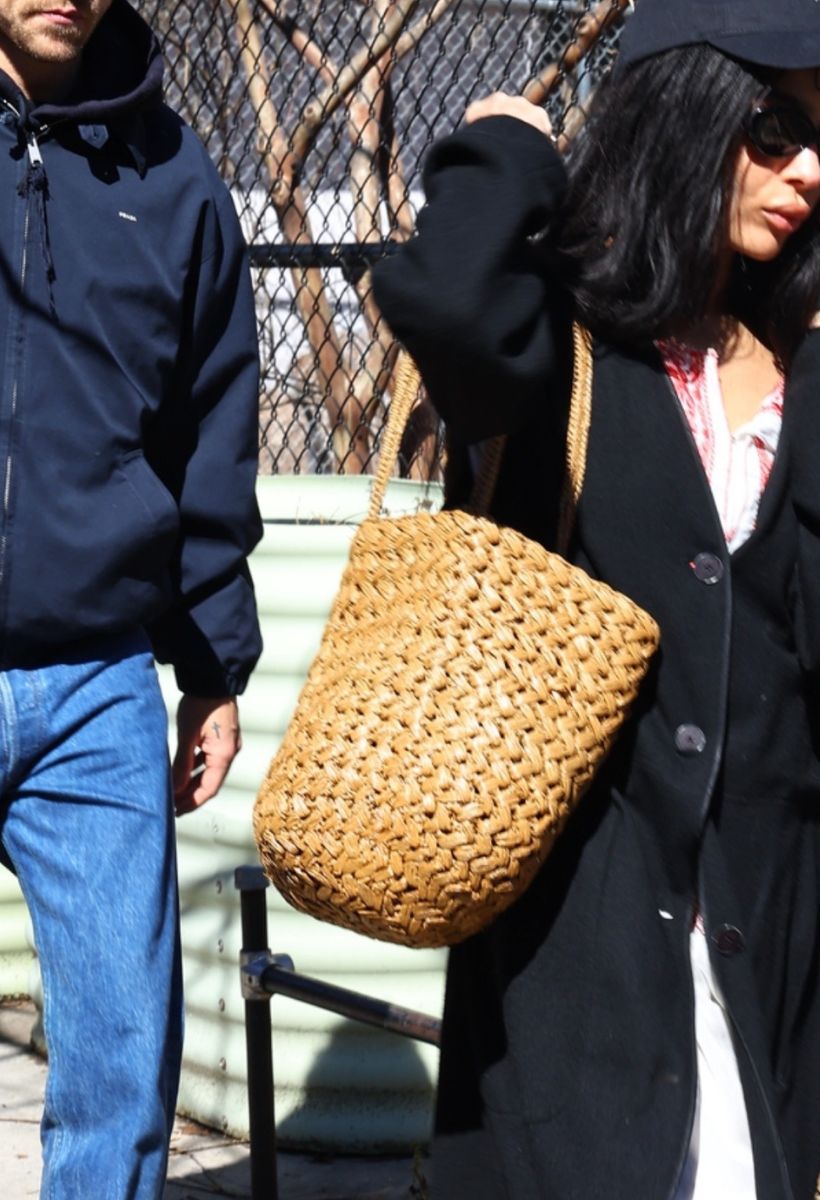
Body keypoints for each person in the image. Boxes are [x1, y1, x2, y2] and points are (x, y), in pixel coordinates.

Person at [371, 0, 820, 1195]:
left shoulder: (805, 353)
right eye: (775, 127)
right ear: (681, 110)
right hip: (579, 917)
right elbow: (442, 303)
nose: (808, 170)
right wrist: (514, 153)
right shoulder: (566, 330)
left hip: (768, 907)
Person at [0, 1, 261, 1196]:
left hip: (97, 683)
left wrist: (211, 660)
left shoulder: (172, 173)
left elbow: (207, 429)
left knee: (121, 1069)